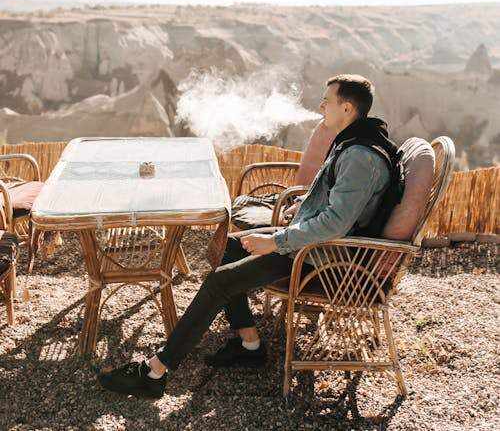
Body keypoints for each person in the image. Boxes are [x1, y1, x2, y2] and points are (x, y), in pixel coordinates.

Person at [98, 74, 397, 399]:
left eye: (328, 100)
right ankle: (250, 344)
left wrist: (276, 242)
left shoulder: (361, 157)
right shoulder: (353, 143)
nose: (321, 106)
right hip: (311, 245)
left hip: (325, 258)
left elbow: (336, 225)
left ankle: (154, 371)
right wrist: (297, 207)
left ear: (348, 107)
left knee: (219, 282)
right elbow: (331, 197)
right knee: (229, 247)